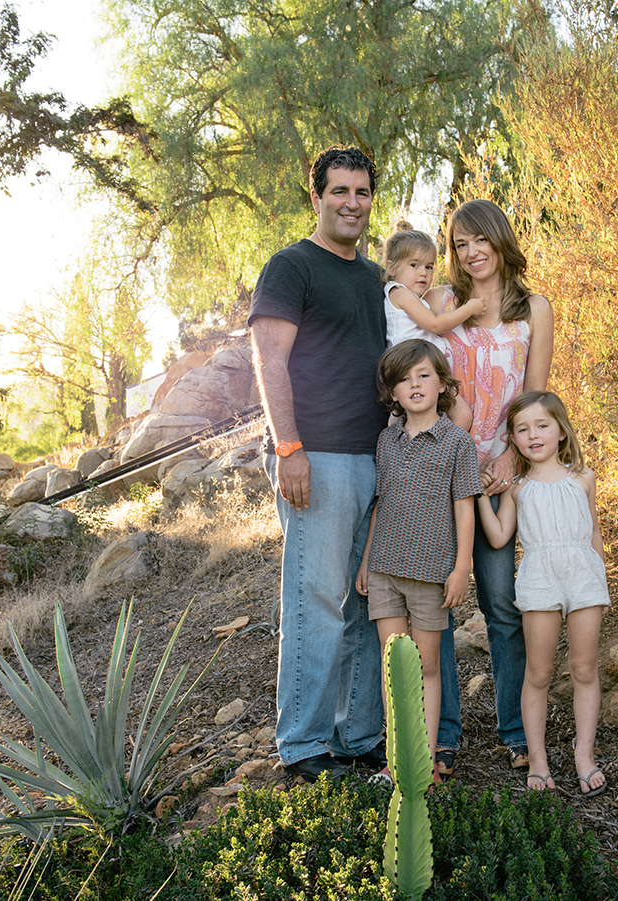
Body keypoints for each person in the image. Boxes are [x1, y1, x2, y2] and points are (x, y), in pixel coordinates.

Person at [248, 145, 388, 782]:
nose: (351, 203)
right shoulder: (292, 267)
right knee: (315, 605)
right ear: (317, 197)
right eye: (340, 192)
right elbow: (270, 360)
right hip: (318, 460)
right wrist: (289, 448)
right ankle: (302, 745)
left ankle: (356, 736)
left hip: (376, 461)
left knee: (364, 606)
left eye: (361, 193)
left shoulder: (370, 277)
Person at [424, 199, 554, 776]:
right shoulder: (444, 304)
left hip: (499, 475)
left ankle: (513, 729)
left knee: (502, 601)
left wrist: (508, 453)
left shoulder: (534, 310)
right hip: (439, 475)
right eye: (459, 244)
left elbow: (535, 399)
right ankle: (444, 733)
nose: (471, 253)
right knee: (438, 607)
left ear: (501, 241)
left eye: (481, 240)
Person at [355, 339, 481, 773]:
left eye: (423, 375)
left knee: (427, 668)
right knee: (395, 669)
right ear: (392, 393)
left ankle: (422, 764)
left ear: (442, 384)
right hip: (386, 571)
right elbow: (380, 503)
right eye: (403, 380)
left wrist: (462, 566)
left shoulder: (456, 443)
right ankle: (397, 761)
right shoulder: (386, 441)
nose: (414, 385)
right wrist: (368, 561)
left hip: (430, 572)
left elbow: (465, 507)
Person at [476, 391, 610, 795]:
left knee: (584, 669)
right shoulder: (517, 489)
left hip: (583, 578)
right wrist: (482, 496)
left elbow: (594, 533)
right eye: (522, 429)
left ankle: (584, 755)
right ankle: (538, 760)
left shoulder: (583, 479)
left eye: (542, 425)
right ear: (512, 440)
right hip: (539, 580)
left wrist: (600, 580)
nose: (533, 435)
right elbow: (499, 537)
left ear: (561, 432)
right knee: (538, 673)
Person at [381, 227, 483, 430]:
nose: (423, 273)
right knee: (461, 415)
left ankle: (436, 452)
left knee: (450, 417)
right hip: (413, 370)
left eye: (429, 267)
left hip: (421, 369)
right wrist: (469, 309)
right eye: (414, 265)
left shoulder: (409, 296)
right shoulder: (399, 292)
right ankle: (443, 455)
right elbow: (435, 324)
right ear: (391, 268)